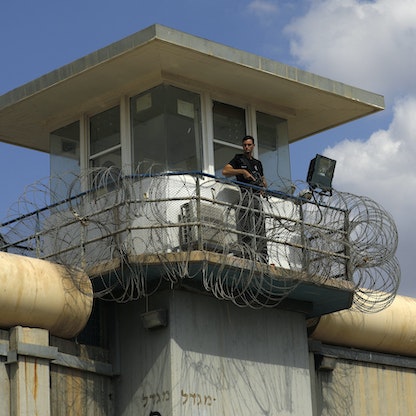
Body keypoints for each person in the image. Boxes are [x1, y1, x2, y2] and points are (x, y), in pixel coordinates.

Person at [222, 135, 267, 261]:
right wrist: (242, 172)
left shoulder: (257, 163)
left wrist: (263, 187)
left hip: (257, 197)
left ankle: (262, 257)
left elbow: (263, 180)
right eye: (244, 145)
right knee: (246, 226)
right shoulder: (238, 159)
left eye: (249, 145)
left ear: (253, 146)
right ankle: (246, 254)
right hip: (245, 196)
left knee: (260, 227)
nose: (246, 147)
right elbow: (225, 171)